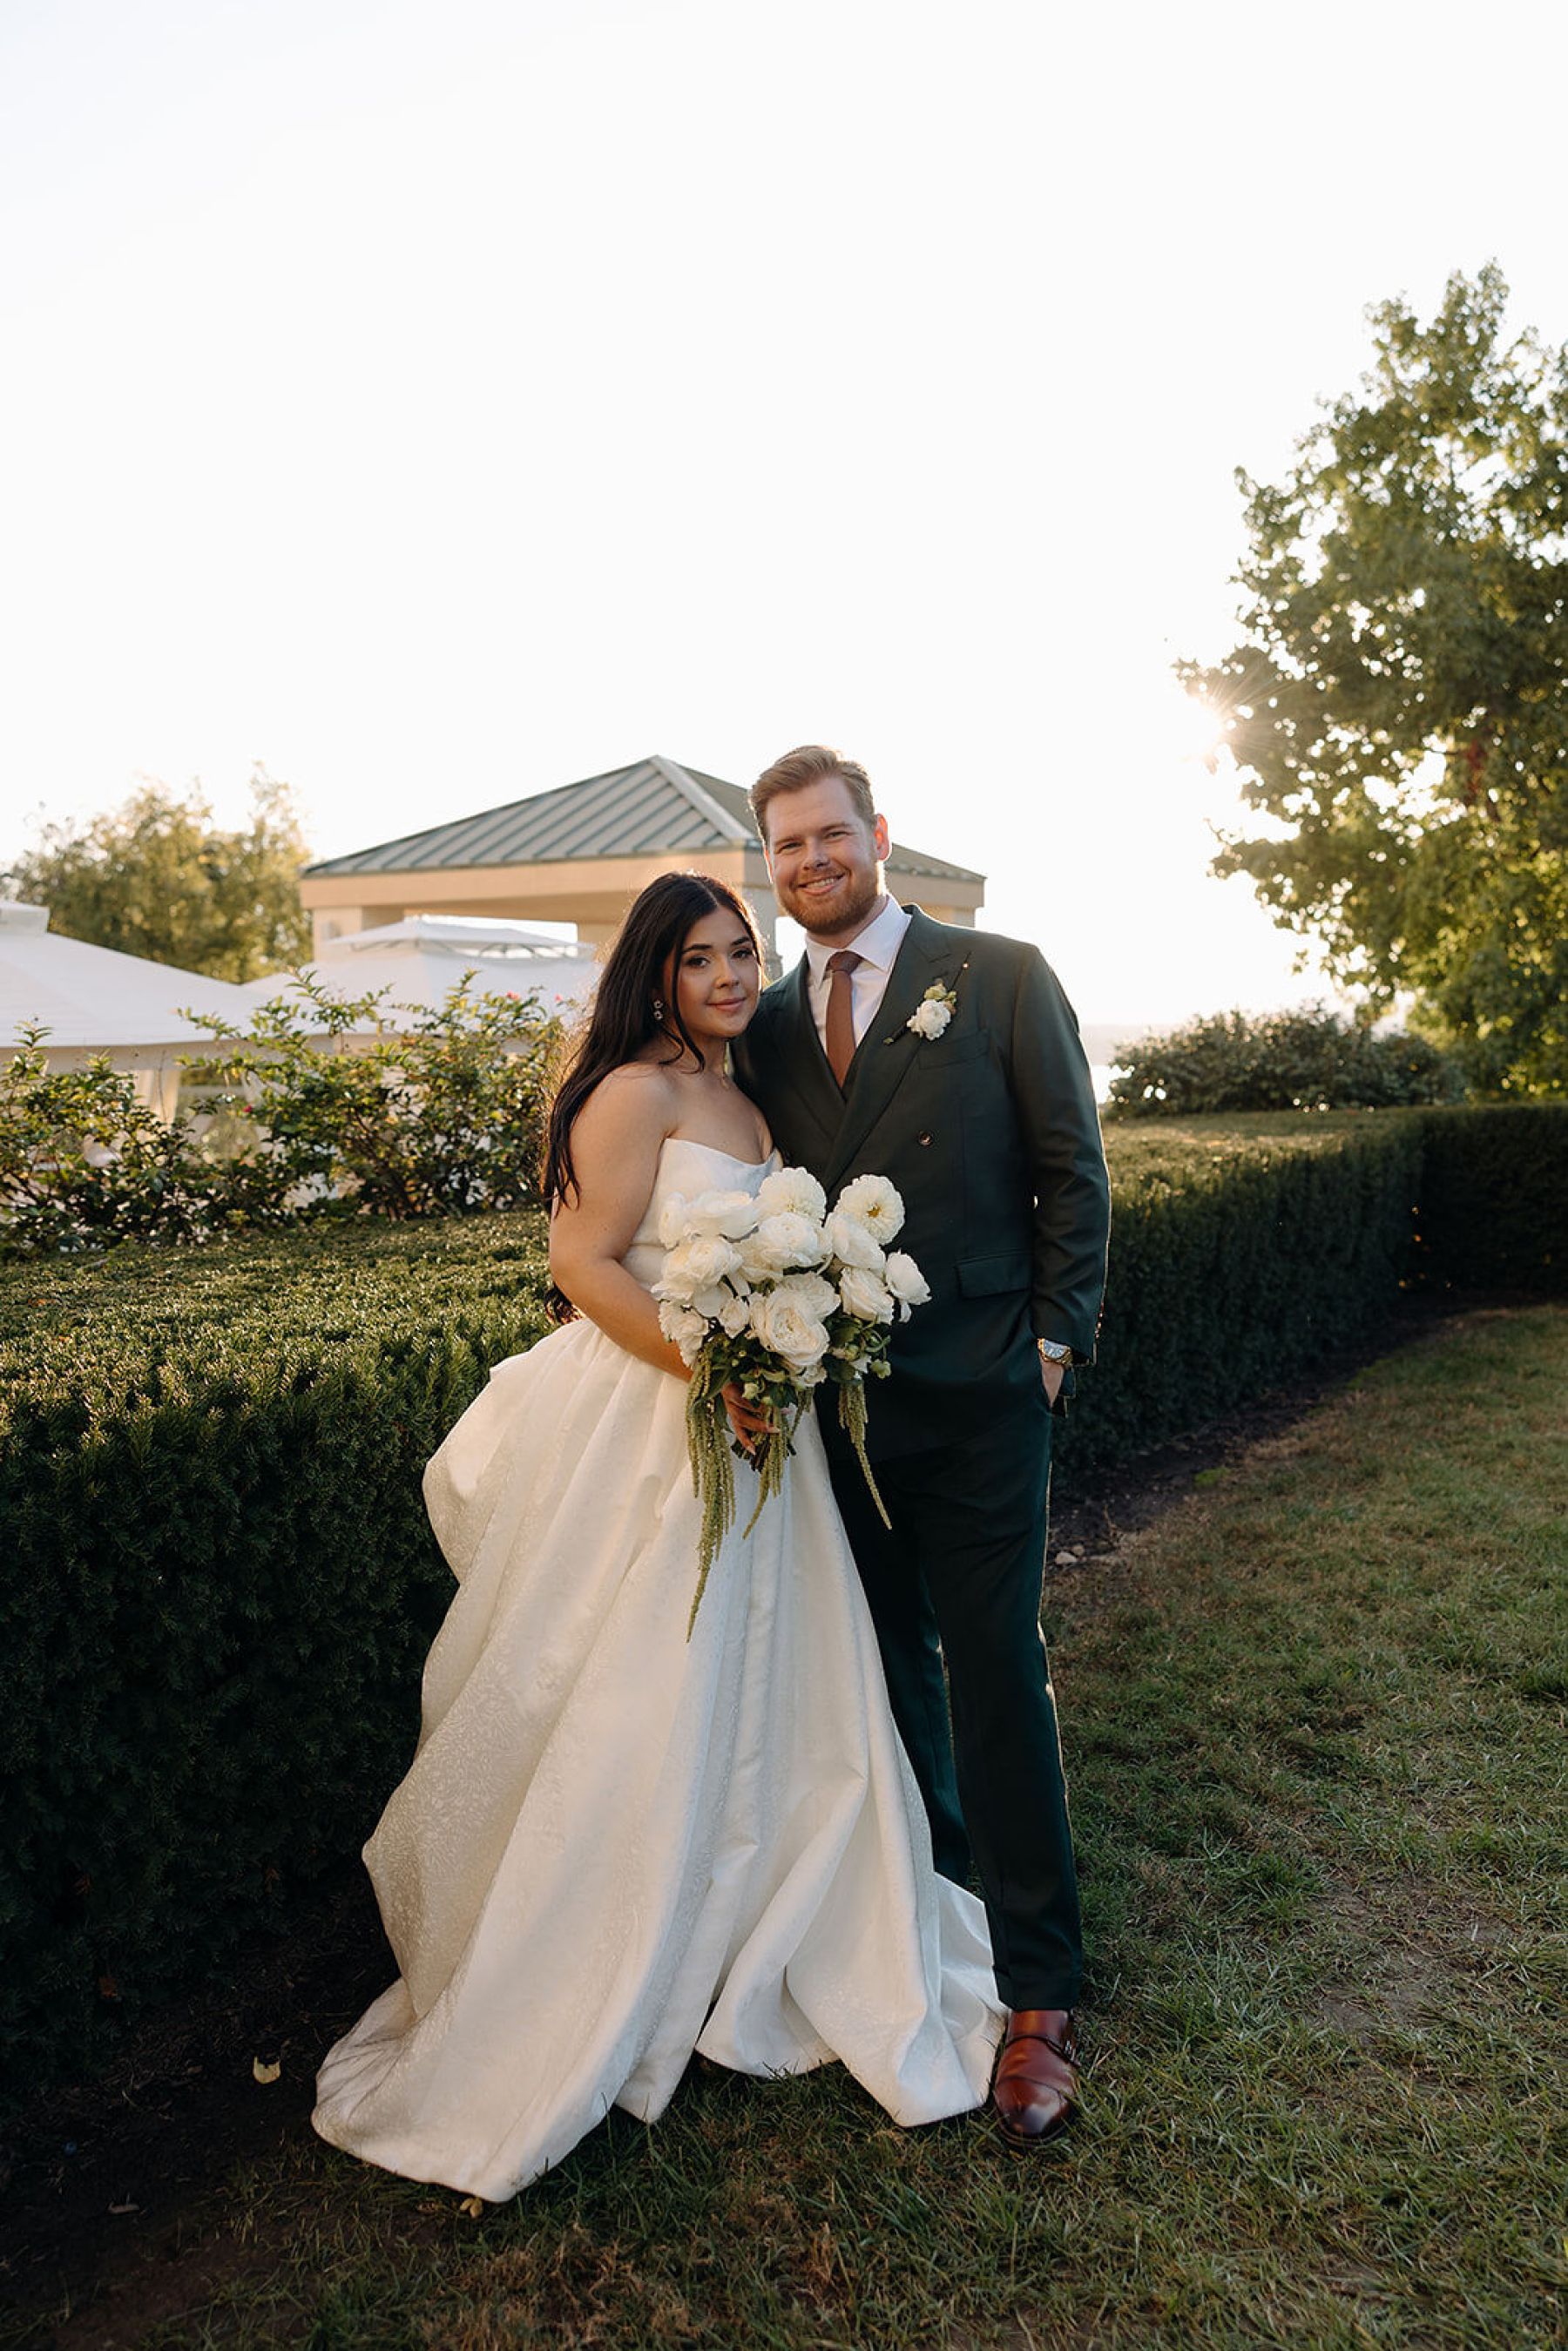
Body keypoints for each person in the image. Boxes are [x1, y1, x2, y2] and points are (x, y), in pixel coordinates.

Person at [310, 871, 1003, 2202]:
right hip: (663, 1420)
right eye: (701, 959)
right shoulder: (633, 1092)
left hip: (761, 1418)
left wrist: (793, 1339)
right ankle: (597, 1961)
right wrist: (714, 1378)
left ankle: (753, 1929)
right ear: (656, 974)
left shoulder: (748, 1097)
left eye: (743, 952)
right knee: (638, 1684)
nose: (734, 975)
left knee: (779, 1681)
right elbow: (585, 1266)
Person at [732, 746, 1111, 2146]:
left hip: (986, 1403)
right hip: (839, 1419)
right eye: (786, 847)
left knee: (999, 1676)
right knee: (886, 1683)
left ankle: (1038, 1994)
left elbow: (1072, 1169)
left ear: (878, 836)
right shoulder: (767, 1026)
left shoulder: (998, 974)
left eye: (831, 835)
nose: (812, 862)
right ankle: (934, 1935)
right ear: (768, 866)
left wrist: (1053, 1349)